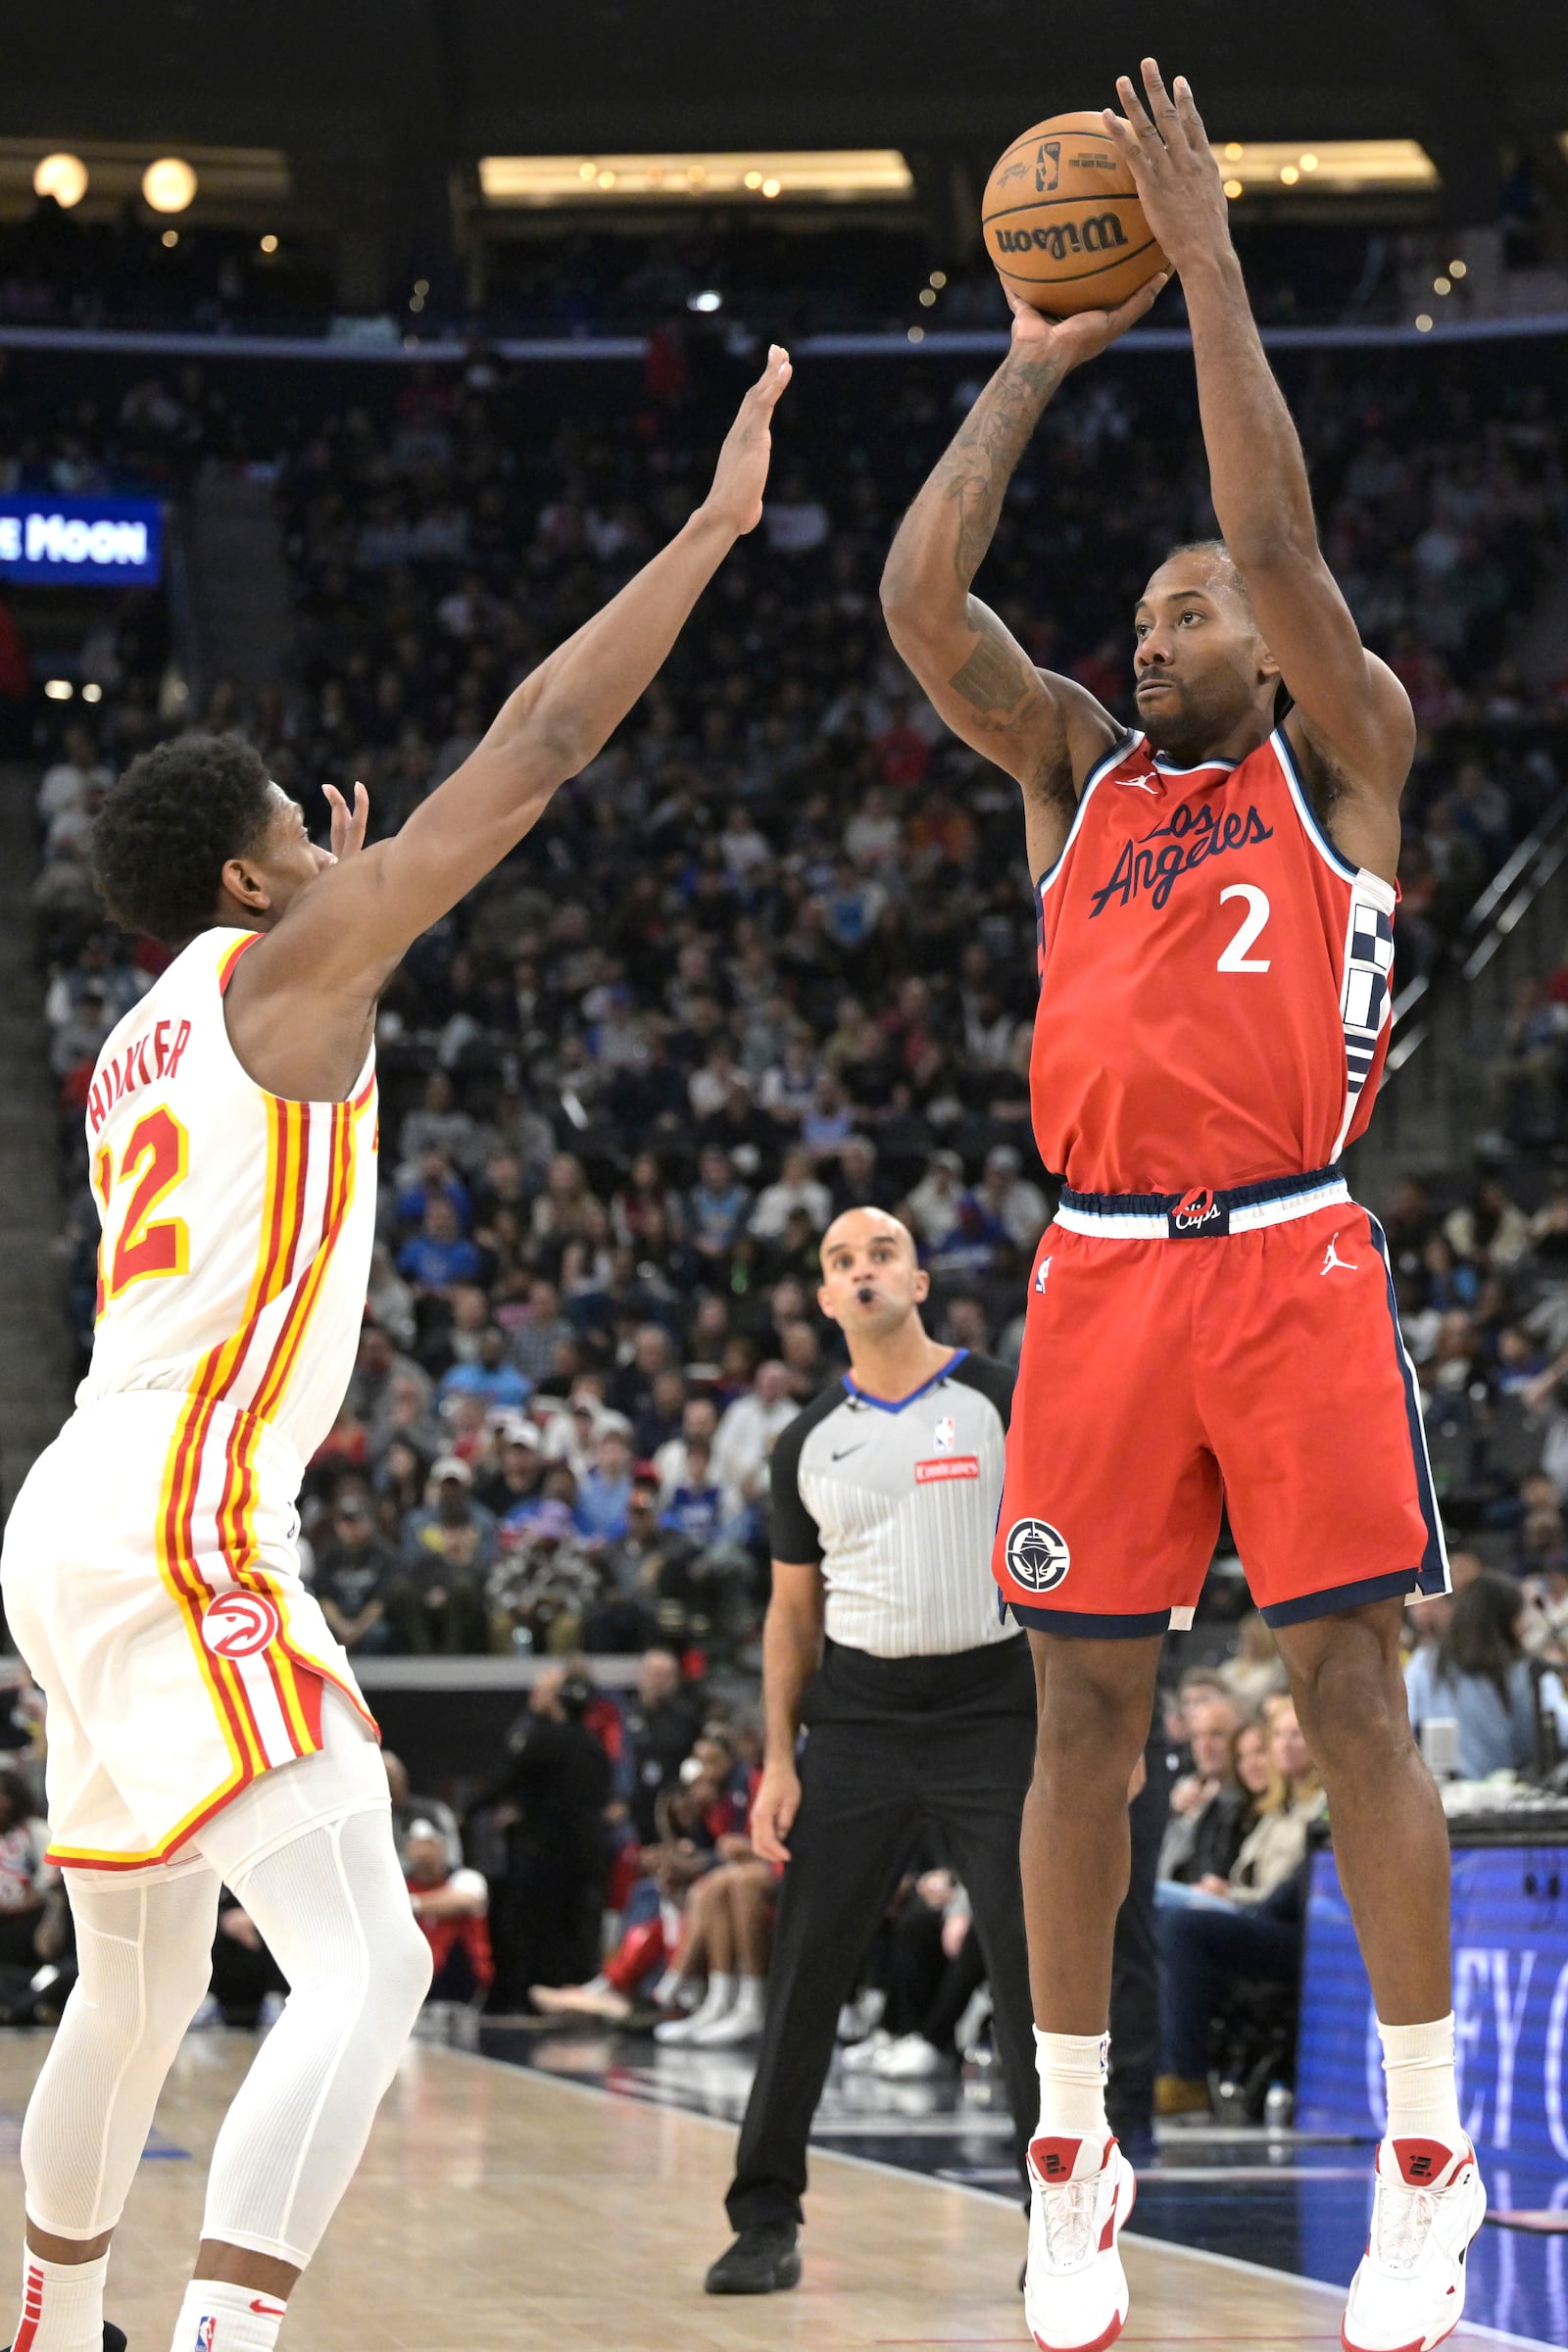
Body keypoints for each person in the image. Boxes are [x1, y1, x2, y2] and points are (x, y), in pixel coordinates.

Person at [0, 345, 791, 2352]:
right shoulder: (288, 966)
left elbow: (296, 1025)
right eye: (300, 822)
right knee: (368, 1964)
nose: (337, 835)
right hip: (183, 1520)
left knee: (135, 1982)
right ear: (258, 877)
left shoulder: (146, 1028)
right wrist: (705, 533)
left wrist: (326, 916)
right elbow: (531, 745)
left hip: (74, 1515)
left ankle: (46, 2321)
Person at [882, 58, 1479, 2352]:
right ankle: (1065, 2148)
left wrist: (1208, 263)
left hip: (1295, 1248)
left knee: (1345, 1689)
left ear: (1268, 634)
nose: (1156, 628)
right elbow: (920, 597)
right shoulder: (1071, 772)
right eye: (1137, 608)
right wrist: (1031, 362)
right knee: (1080, 1723)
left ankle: (1422, 2164)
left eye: (1186, 602)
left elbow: (1286, 536)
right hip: (1100, 1277)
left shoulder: (1347, 747)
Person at [704, 1206, 1033, 2297]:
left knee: (1036, 1969)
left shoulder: (999, 1399)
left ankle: (1061, 2213)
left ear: (920, 1278)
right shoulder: (805, 1442)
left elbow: (1064, 1556)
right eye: (841, 1262)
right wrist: (781, 1762)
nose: (862, 1270)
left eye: (879, 1252)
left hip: (997, 1708)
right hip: (859, 1720)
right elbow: (789, 1618)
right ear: (826, 1299)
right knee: (805, 1972)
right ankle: (763, 2217)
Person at [1404, 1572, 1558, 1780]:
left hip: (1443, 1795)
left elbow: (1403, 1728)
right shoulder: (1525, 1672)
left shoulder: (1424, 1663)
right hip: (1512, 1795)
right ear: (1510, 1620)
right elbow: (1559, 1732)